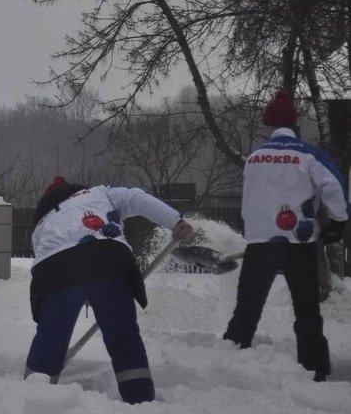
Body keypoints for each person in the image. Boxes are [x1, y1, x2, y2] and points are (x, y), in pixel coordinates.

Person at [24, 176, 194, 404]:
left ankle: (32, 397)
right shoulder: (100, 193)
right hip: (107, 257)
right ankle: (140, 400)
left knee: (51, 335)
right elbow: (137, 197)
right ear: (76, 190)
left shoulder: (43, 222)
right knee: (123, 337)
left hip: (55, 269)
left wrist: (77, 294)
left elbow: (43, 260)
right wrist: (174, 220)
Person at [222, 89, 348, 382]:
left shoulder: (254, 157)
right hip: (298, 242)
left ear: (268, 126)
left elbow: (252, 199)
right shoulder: (308, 154)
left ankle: (229, 362)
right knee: (306, 309)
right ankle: (314, 368)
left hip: (259, 241)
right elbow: (334, 186)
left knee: (248, 307)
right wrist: (338, 221)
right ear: (295, 124)